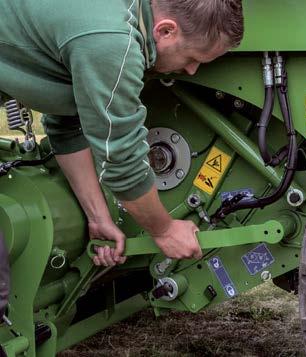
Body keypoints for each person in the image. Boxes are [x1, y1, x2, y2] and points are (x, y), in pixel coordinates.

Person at [0, 0, 244, 266]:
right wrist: (165, 230)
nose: (192, 70)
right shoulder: (111, 40)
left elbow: (67, 123)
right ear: (165, 31)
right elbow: (121, 158)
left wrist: (98, 218)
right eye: (192, 58)